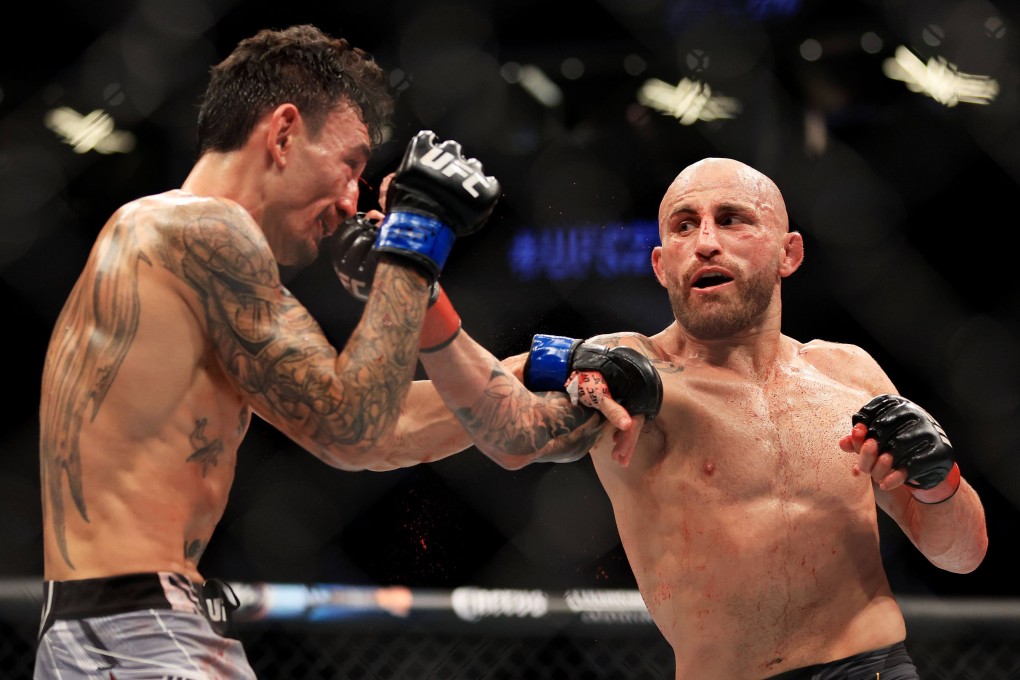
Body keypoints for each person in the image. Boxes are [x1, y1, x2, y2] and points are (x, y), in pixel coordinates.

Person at [34, 24, 649, 680]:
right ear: (284, 132)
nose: (354, 197)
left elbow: (377, 434)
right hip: (135, 633)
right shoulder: (201, 230)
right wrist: (413, 244)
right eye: (351, 163)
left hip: (128, 629)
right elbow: (350, 427)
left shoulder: (166, 246)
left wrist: (525, 372)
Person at [500, 157, 988, 679]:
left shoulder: (848, 372)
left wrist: (940, 483)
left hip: (871, 667)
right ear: (662, 265)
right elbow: (496, 422)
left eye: (732, 219)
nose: (706, 242)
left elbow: (961, 556)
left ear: (788, 253)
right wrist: (558, 359)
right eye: (684, 226)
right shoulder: (632, 370)